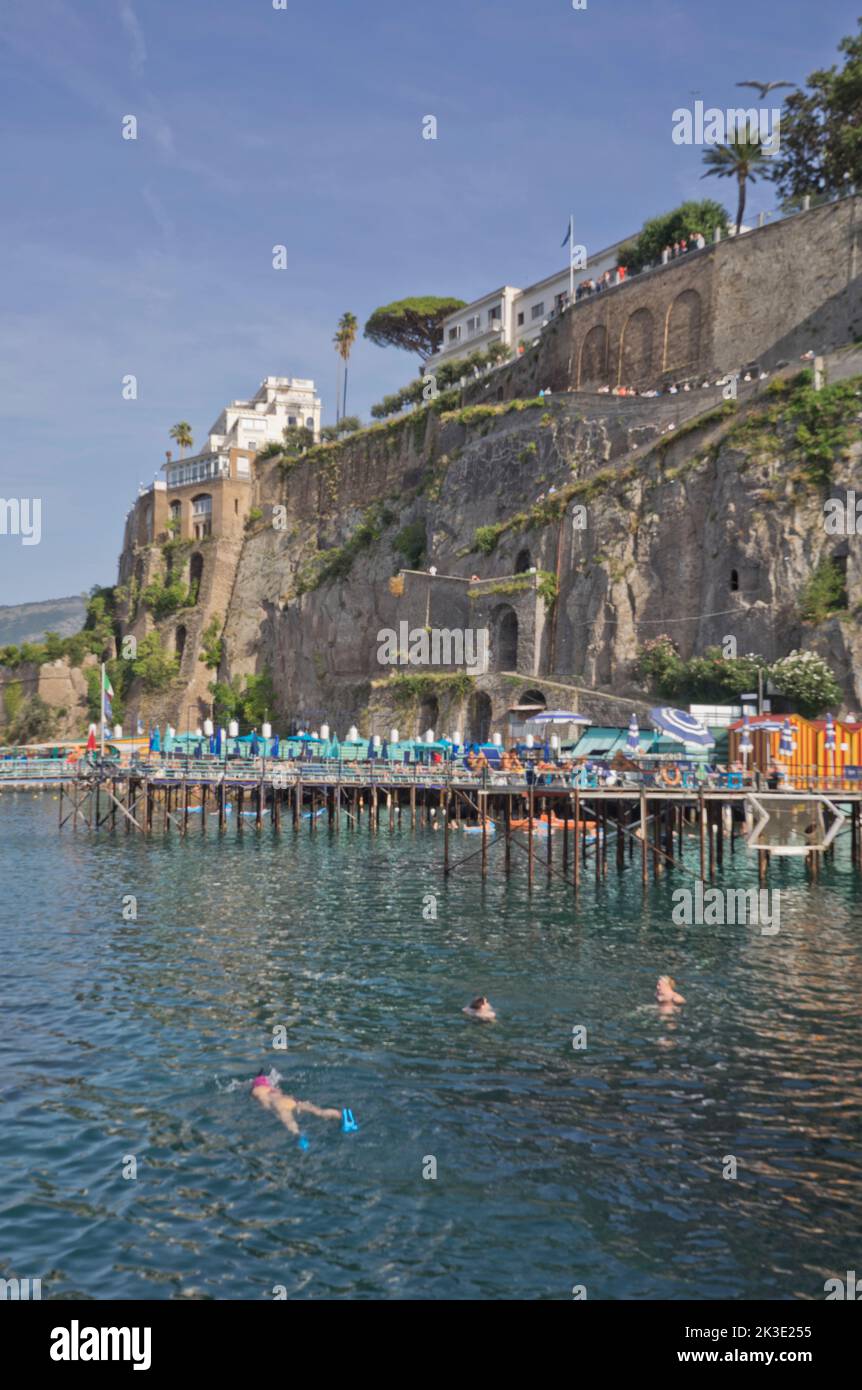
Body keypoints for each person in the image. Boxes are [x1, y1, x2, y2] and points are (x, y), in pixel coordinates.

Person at [251, 1074, 342, 1143]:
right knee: (319, 1111)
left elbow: (266, 1106)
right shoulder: (274, 1089)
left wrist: (270, 1110)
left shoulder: (257, 1092)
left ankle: (299, 1135)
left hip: (280, 1105)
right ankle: (340, 1115)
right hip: (292, 1101)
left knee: (289, 1122)